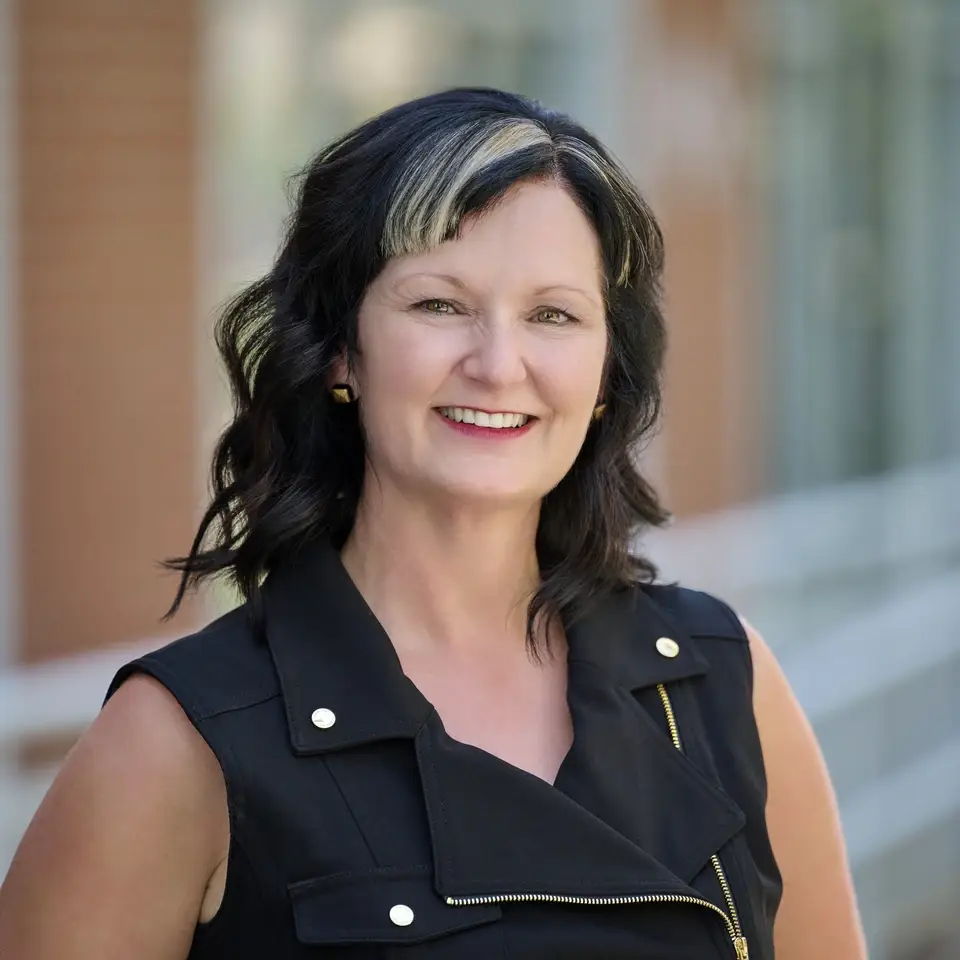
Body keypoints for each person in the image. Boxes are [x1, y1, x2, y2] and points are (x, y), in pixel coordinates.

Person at [0, 88, 866, 959]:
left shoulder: (722, 681)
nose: (497, 365)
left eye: (553, 315)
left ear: (607, 376)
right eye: (439, 305)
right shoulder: (179, 740)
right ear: (341, 349)